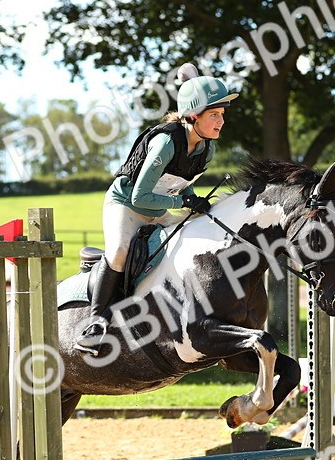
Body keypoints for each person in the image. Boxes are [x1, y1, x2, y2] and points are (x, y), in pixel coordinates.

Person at [76, 63, 239, 355]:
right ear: (193, 115)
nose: (221, 122)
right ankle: (95, 322)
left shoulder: (206, 147)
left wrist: (194, 199)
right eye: (214, 114)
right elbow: (140, 197)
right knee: (119, 253)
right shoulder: (165, 142)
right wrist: (182, 202)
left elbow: (182, 181)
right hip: (126, 205)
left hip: (160, 205)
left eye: (222, 115)